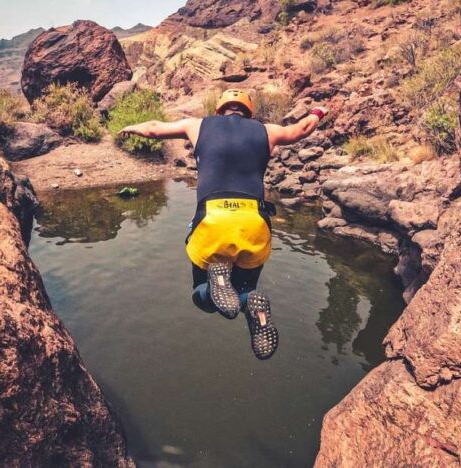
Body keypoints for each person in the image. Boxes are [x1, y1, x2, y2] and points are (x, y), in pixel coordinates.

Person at [119, 89, 328, 360]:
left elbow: (154, 128)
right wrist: (318, 112)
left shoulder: (196, 125)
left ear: (218, 110)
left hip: (212, 219)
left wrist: (131, 127)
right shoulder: (267, 131)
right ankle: (258, 314)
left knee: (202, 296)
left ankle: (215, 280)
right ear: (248, 112)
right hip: (254, 221)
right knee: (246, 290)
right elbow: (301, 129)